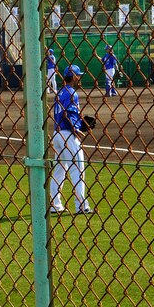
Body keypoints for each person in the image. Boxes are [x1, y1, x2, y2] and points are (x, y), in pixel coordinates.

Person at [49, 64, 93, 215]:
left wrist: (79, 123)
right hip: (68, 133)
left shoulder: (60, 92)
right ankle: (81, 206)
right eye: (78, 75)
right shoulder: (72, 92)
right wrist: (76, 127)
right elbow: (69, 113)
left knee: (60, 169)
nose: (79, 78)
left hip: (57, 134)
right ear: (74, 76)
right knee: (78, 168)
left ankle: (55, 204)